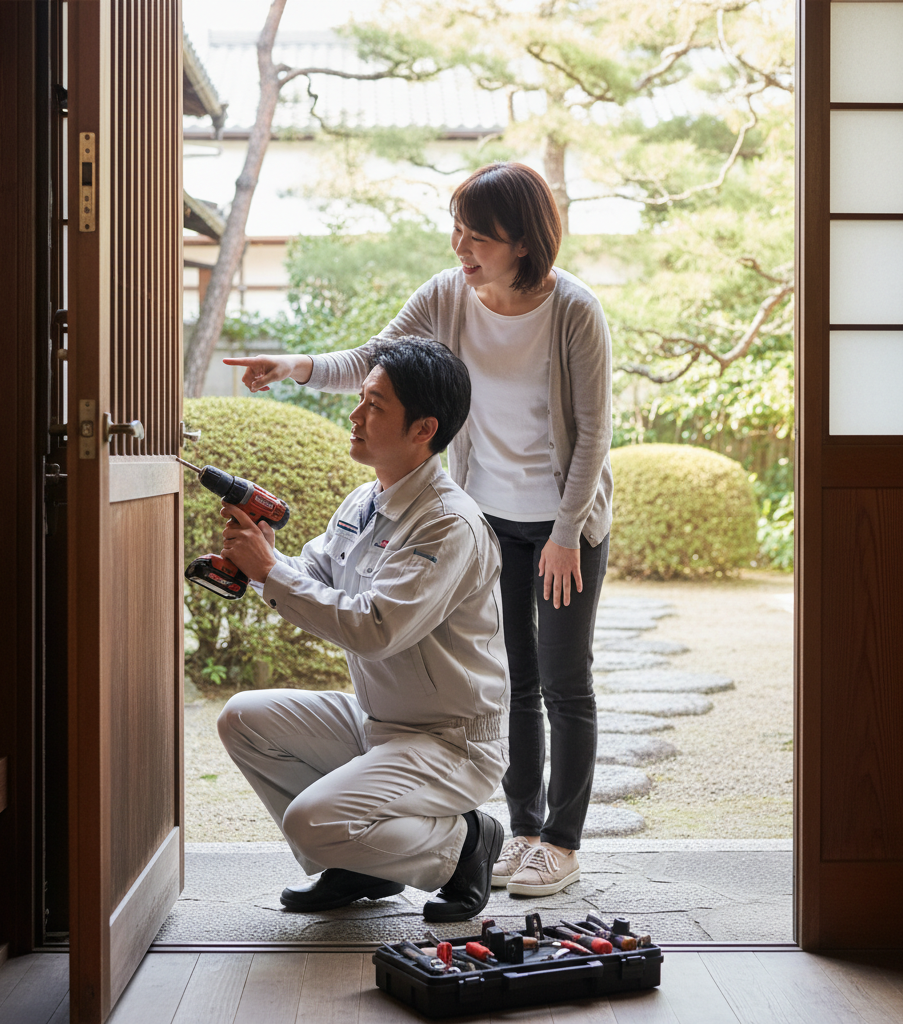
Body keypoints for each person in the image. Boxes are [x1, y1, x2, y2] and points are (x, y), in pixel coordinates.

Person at [226, 162, 613, 898]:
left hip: (563, 522)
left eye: (477, 236)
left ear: (522, 242)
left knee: (566, 681)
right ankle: (517, 830)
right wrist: (296, 366)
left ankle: (560, 841)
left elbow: (594, 431)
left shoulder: (573, 309)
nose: (461, 246)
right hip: (488, 513)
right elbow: (376, 361)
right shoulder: (448, 294)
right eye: (458, 230)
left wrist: (567, 532)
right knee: (517, 680)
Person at [216, 337, 509, 922]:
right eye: (361, 399)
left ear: (423, 428)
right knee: (243, 719)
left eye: (374, 405)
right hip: (380, 722)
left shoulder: (447, 525)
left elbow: (375, 628)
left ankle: (465, 846)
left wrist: (270, 572)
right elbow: (315, 576)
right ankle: (366, 865)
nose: (354, 415)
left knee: (310, 820)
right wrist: (261, 564)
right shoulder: (365, 500)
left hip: (450, 740)